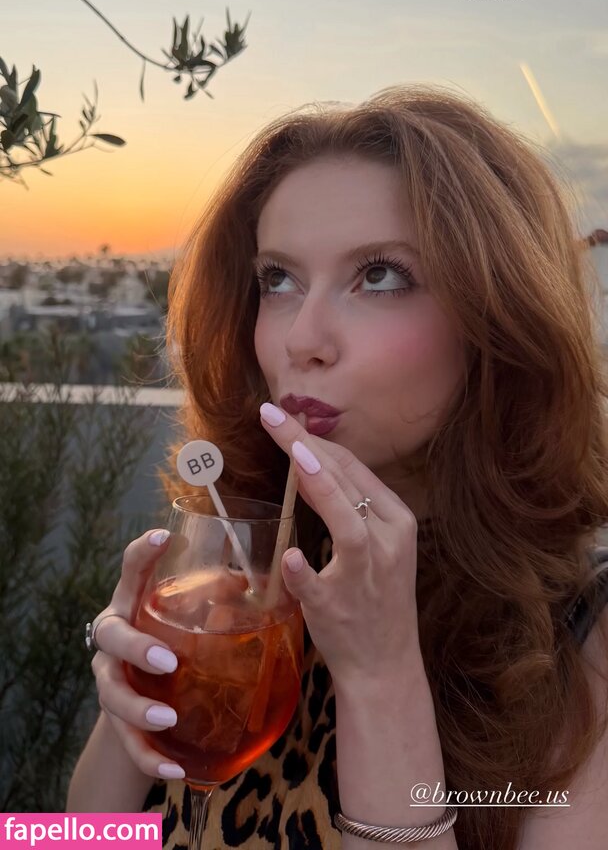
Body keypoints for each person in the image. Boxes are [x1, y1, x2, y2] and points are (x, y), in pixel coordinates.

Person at [67, 83, 608, 849]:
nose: (302, 339)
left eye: (380, 276)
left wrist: (380, 681)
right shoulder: (246, 550)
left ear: (499, 317)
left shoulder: (583, 642)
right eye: (277, 279)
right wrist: (129, 715)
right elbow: (76, 836)